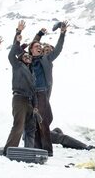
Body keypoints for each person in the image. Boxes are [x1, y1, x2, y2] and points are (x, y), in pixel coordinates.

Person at [26, 21, 68, 156]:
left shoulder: (46, 59)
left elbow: (59, 49)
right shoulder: (29, 59)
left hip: (42, 93)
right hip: (32, 95)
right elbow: (32, 44)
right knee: (35, 121)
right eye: (36, 47)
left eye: (40, 46)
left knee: (44, 121)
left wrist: (62, 34)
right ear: (32, 50)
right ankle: (38, 147)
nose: (39, 47)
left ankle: (48, 150)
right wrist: (39, 34)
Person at [4, 21, 37, 152]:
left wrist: (35, 106)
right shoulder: (17, 66)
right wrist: (18, 33)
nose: (28, 57)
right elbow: (12, 53)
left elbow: (33, 90)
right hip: (19, 99)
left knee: (30, 128)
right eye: (25, 55)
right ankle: (9, 150)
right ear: (21, 58)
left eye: (30, 56)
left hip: (29, 101)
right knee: (18, 126)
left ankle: (29, 151)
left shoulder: (31, 71)